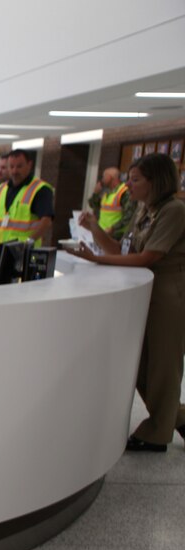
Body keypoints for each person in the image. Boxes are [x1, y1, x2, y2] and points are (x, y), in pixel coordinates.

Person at [66, 153, 185, 452]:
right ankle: (177, 417)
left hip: (169, 297)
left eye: (135, 180)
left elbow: (149, 256)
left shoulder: (174, 211)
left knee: (163, 366)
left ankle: (158, 433)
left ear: (155, 181)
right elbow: (123, 249)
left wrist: (97, 259)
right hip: (146, 293)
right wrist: (93, 229)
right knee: (142, 366)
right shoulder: (146, 211)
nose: (128, 186)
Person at [0, 149, 54, 271]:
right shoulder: (0, 189)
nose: (14, 171)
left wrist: (28, 242)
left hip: (22, 254)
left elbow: (46, 221)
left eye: (19, 166)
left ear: (29, 165)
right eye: (11, 166)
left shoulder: (40, 189)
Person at [85, 167, 134, 240]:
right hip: (103, 233)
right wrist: (95, 193)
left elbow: (129, 215)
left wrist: (113, 228)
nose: (102, 179)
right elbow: (93, 205)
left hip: (117, 236)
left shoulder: (124, 192)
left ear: (110, 177)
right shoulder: (107, 192)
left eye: (104, 176)